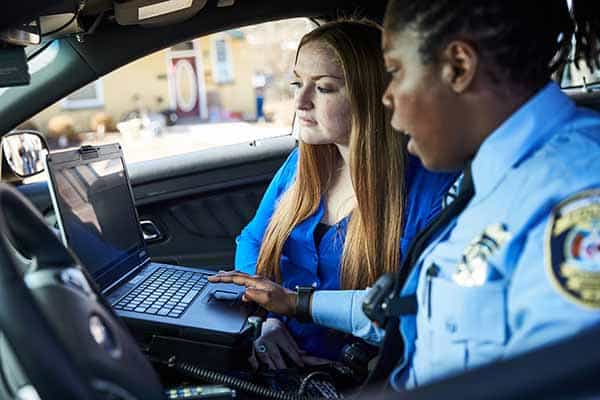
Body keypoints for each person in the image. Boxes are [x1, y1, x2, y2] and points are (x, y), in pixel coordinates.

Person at [211, 0, 600, 391]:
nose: (385, 97)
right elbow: (414, 309)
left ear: (459, 67)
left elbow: (565, 380)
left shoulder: (577, 192)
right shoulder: (490, 181)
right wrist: (295, 305)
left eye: (395, 72)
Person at [229, 19, 457, 370]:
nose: (300, 102)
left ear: (371, 95)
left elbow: (419, 309)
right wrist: (268, 316)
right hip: (278, 369)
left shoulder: (428, 188)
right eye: (297, 83)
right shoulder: (300, 166)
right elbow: (251, 242)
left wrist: (293, 303)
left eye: (323, 88)